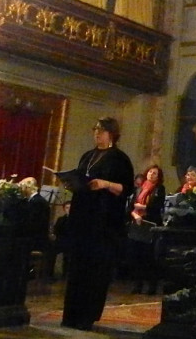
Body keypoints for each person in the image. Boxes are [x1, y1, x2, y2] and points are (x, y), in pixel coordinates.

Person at [62, 117, 134, 332]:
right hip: (82, 217)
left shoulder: (120, 159)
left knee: (96, 270)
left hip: (104, 221)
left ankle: (87, 316)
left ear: (111, 133)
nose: (97, 134)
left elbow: (126, 188)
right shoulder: (88, 156)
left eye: (101, 130)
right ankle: (71, 315)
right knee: (77, 268)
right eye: (95, 130)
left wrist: (105, 184)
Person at [127, 164, 166, 295]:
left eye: (155, 173)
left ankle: (152, 286)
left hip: (150, 225)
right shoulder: (139, 189)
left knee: (149, 257)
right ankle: (137, 285)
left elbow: (156, 205)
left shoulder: (159, 189)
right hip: (137, 223)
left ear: (158, 177)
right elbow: (131, 206)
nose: (151, 174)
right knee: (136, 256)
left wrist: (142, 208)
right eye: (150, 172)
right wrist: (135, 214)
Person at [50, 202, 71, 278]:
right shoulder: (61, 219)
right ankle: (50, 273)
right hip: (60, 240)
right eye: (67, 208)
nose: (69, 210)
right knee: (51, 253)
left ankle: (65, 274)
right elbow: (56, 230)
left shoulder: (75, 220)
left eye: (70, 208)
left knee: (67, 257)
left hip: (70, 241)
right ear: (64, 209)